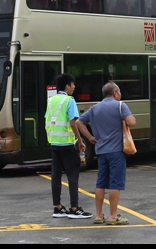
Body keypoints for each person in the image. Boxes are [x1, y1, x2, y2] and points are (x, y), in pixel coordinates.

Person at [76, 82, 136, 225]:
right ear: (115, 93)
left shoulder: (95, 108)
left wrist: (90, 137)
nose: (120, 94)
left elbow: (79, 122)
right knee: (115, 183)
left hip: (101, 151)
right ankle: (113, 216)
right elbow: (131, 122)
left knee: (101, 183)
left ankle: (98, 215)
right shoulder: (120, 106)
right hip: (116, 151)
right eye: (119, 91)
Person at [46, 73, 92, 219]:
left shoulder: (50, 100)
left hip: (54, 143)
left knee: (56, 176)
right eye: (73, 84)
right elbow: (73, 122)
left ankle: (58, 207)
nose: (74, 87)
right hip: (67, 143)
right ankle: (74, 208)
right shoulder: (69, 101)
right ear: (67, 86)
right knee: (72, 175)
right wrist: (80, 140)